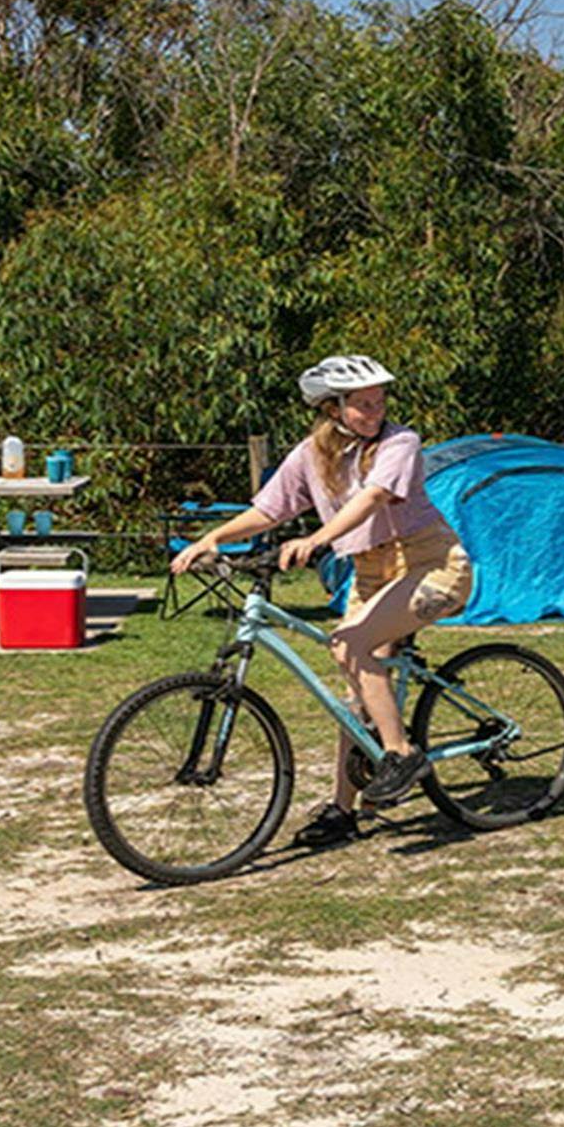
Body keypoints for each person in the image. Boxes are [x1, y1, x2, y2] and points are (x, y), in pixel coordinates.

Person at [170, 356, 474, 842]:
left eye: (379, 401)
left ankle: (402, 753)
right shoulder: (313, 454)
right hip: (371, 573)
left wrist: (318, 539)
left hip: (432, 565)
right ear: (332, 409)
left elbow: (372, 498)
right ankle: (342, 810)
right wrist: (214, 538)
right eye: (361, 405)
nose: (375, 412)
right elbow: (268, 509)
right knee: (354, 700)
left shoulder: (400, 442)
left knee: (348, 644)